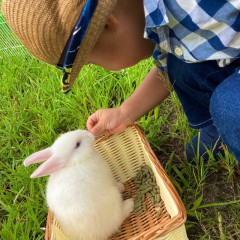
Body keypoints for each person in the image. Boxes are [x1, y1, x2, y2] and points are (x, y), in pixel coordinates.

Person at [2, 0, 240, 163]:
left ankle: (229, 120)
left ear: (108, 23)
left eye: (93, 61)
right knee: (180, 65)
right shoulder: (159, 18)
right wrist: (124, 112)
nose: (103, 67)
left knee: (230, 106)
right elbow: (166, 64)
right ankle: (219, 129)